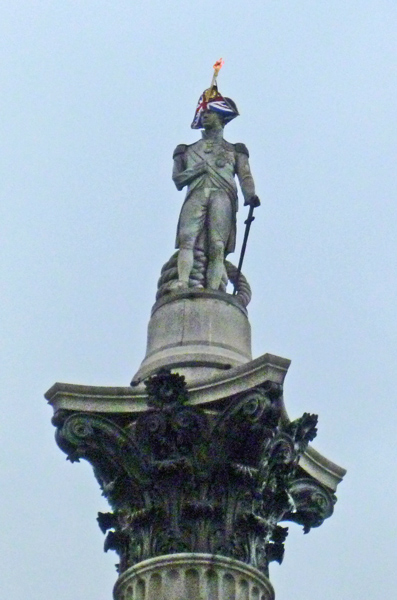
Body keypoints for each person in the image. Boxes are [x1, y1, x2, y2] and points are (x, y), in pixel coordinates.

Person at [171, 86, 259, 291]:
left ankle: (213, 288)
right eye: (204, 113)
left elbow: (245, 175)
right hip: (197, 193)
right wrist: (196, 171)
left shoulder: (235, 150)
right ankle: (183, 281)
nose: (204, 116)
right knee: (187, 239)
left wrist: (251, 195)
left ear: (220, 117)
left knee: (217, 245)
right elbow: (177, 180)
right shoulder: (187, 150)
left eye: (209, 113)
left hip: (223, 195)